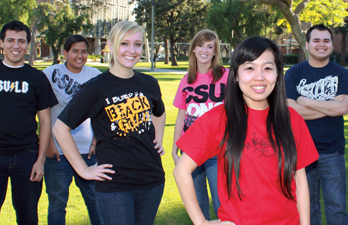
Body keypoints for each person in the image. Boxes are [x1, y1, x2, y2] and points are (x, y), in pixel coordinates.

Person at [173, 36, 319, 225]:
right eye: (249, 68)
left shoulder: (292, 119)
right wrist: (202, 222)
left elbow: (299, 181)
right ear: (235, 74)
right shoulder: (217, 118)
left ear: (277, 74)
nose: (259, 76)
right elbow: (181, 171)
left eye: (267, 68)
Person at [52, 20, 166, 225]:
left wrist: (158, 138)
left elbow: (160, 113)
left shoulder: (149, 83)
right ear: (111, 46)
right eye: (124, 44)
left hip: (152, 180)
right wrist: (84, 170)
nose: (131, 50)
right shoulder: (95, 88)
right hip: (115, 186)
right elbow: (60, 128)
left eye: (138, 44)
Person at [0, 20, 58, 225]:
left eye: (21, 41)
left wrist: (40, 160)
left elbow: (46, 120)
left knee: (28, 217)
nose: (16, 45)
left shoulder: (37, 78)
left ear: (28, 45)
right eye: (11, 40)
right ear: (2, 43)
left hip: (27, 156)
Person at [285, 24, 348, 225]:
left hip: (333, 151)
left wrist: (305, 101)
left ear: (331, 45)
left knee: (337, 208)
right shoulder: (293, 73)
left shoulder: (341, 73)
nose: (322, 44)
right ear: (307, 44)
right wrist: (329, 107)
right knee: (307, 206)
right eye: (317, 40)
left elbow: (342, 109)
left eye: (326, 40)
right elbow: (290, 111)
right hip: (301, 151)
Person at [42, 35, 102, 225]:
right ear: (65, 53)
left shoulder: (95, 76)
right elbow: (41, 111)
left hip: (87, 151)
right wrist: (49, 143)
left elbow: (103, 113)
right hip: (57, 152)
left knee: (96, 202)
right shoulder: (50, 73)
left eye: (83, 51)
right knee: (57, 204)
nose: (80, 55)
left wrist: (95, 141)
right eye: (75, 51)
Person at [172, 29, 228, 220]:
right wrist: (174, 150)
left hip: (217, 149)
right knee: (197, 204)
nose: (204, 50)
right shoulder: (187, 80)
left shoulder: (227, 76)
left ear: (215, 52)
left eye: (209, 46)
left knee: (222, 203)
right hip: (190, 150)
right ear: (193, 49)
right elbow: (181, 116)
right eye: (200, 45)